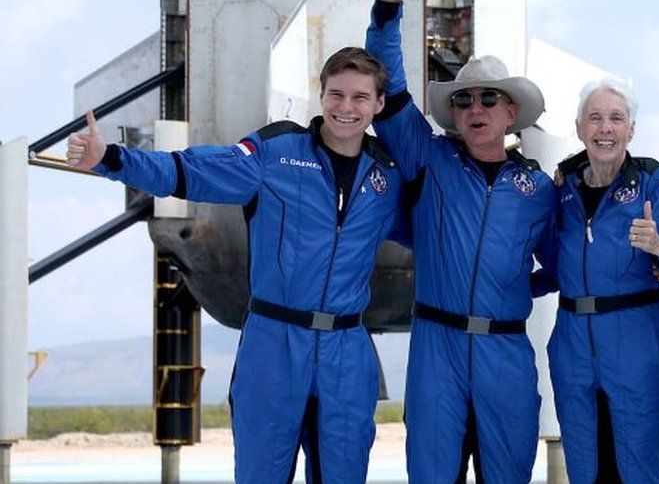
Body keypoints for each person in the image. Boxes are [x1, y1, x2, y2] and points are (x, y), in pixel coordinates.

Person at [66, 47, 405, 483]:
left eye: (359, 98)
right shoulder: (276, 152)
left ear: (378, 105)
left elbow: (446, 230)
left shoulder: (389, 176)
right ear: (321, 97)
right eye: (336, 94)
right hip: (273, 344)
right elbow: (191, 171)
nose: (345, 107)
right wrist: (113, 160)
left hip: (347, 351)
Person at [364, 0, 557, 483]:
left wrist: (515, 287)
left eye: (489, 98)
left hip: (506, 351)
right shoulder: (428, 160)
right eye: (465, 99)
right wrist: (387, 6)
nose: (476, 107)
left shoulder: (538, 189)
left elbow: (565, 265)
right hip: (436, 350)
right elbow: (391, 94)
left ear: (510, 112)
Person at [537, 78, 659, 482]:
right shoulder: (562, 189)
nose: (605, 128)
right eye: (595, 118)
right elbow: (556, 268)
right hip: (572, 344)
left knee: (637, 467)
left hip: (637, 343)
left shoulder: (652, 179)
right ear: (579, 129)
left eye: (615, 118)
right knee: (585, 468)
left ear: (631, 130)